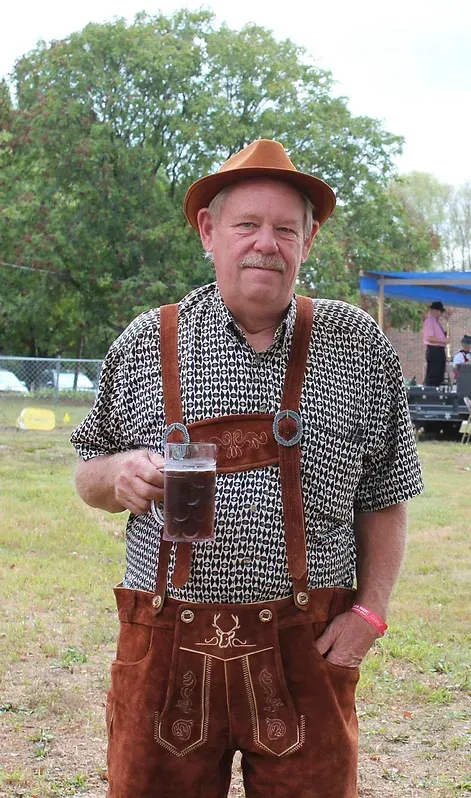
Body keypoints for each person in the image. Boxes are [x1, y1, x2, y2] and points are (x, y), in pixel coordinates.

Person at [70, 139, 424, 798]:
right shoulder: (147, 342)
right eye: (247, 225)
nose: (267, 244)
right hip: (164, 645)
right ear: (209, 231)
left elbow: (387, 493)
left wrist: (370, 614)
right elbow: (88, 471)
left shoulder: (358, 347)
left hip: (307, 650)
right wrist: (117, 473)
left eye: (285, 229)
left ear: (308, 242)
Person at [422, 300, 449, 386]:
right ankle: (431, 393)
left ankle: (437, 390)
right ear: (436, 311)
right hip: (434, 350)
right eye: (440, 311)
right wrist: (443, 340)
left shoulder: (436, 322)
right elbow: (429, 337)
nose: (440, 314)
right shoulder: (430, 321)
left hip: (440, 350)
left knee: (439, 375)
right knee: (433, 374)